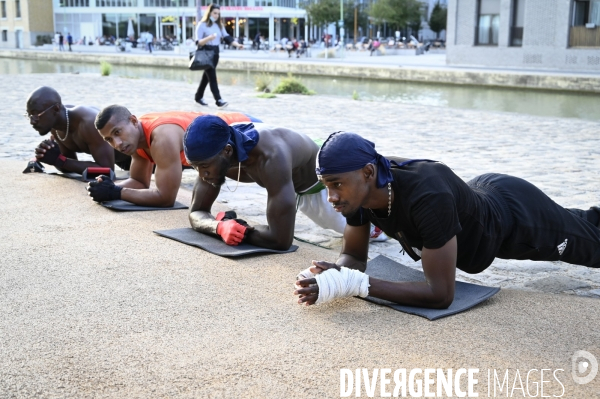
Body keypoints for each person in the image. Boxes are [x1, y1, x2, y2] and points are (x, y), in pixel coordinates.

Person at [294, 132, 600, 308]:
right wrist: (335, 274)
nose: (331, 196)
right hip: (483, 194)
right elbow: (354, 256)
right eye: (327, 185)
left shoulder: (427, 197)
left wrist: (353, 283)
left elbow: (440, 294)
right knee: (585, 222)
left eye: (336, 184)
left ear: (368, 173)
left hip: (518, 220)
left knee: (590, 245)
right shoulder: (357, 194)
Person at [183, 116, 386, 250]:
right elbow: (196, 213)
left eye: (204, 166)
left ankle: (378, 223)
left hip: (317, 187)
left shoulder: (270, 157)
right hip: (288, 175)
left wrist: (237, 229)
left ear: (227, 151)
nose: (201, 173)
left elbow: (280, 240)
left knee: (353, 229)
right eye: (195, 167)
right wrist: (219, 228)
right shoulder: (213, 153)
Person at [89, 107, 259, 207]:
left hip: (246, 128)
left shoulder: (162, 137)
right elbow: (139, 182)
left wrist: (115, 192)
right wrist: (109, 185)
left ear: (133, 121)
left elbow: (166, 198)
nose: (117, 143)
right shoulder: (134, 139)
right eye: (109, 139)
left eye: (117, 132)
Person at [25, 86, 131, 174]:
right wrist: (52, 157)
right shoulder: (56, 126)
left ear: (56, 109)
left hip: (140, 159)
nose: (32, 121)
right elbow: (70, 167)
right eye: (29, 115)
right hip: (122, 162)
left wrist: (59, 160)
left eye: (36, 115)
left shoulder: (88, 123)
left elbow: (107, 171)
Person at [194, 3, 243, 108]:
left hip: (215, 53)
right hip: (206, 52)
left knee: (206, 77)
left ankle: (198, 96)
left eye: (218, 14)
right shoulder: (202, 25)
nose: (216, 15)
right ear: (209, 13)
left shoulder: (219, 25)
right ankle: (219, 100)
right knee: (212, 77)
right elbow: (198, 42)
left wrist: (237, 45)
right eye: (214, 13)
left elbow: (226, 37)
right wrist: (209, 38)